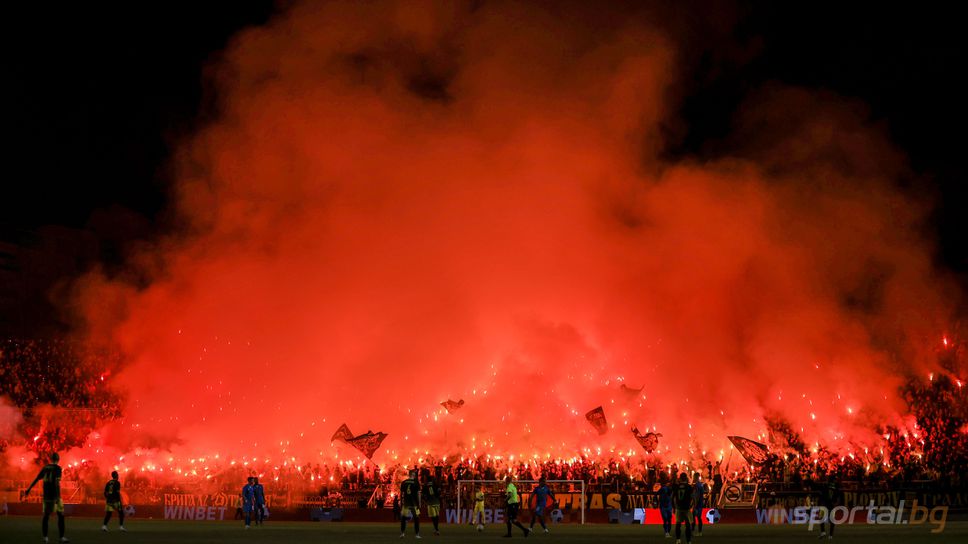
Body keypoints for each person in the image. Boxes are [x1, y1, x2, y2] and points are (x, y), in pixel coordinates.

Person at [24, 452, 69, 543]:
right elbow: (56, 483)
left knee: (46, 516)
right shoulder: (58, 468)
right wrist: (56, 497)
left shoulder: (45, 468)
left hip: (46, 495)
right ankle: (61, 537)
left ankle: (45, 537)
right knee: (60, 516)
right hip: (55, 496)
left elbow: (37, 479)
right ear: (58, 459)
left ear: (50, 459)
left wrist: (29, 489)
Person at [672, 472, 694, 544]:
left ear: (680, 478)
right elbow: (693, 497)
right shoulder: (689, 487)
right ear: (686, 478)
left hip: (679, 507)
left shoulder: (676, 486)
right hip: (687, 508)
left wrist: (673, 507)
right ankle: (688, 540)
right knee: (688, 525)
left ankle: (678, 539)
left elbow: (673, 497)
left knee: (678, 524)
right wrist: (692, 506)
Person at [400, 469, 421, 538]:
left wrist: (401, 503)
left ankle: (402, 533)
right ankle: (417, 534)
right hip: (414, 503)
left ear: (409, 475)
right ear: (413, 475)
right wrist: (419, 504)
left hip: (406, 503)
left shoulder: (404, 482)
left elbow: (401, 494)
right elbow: (418, 494)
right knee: (416, 519)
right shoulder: (416, 482)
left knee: (403, 518)